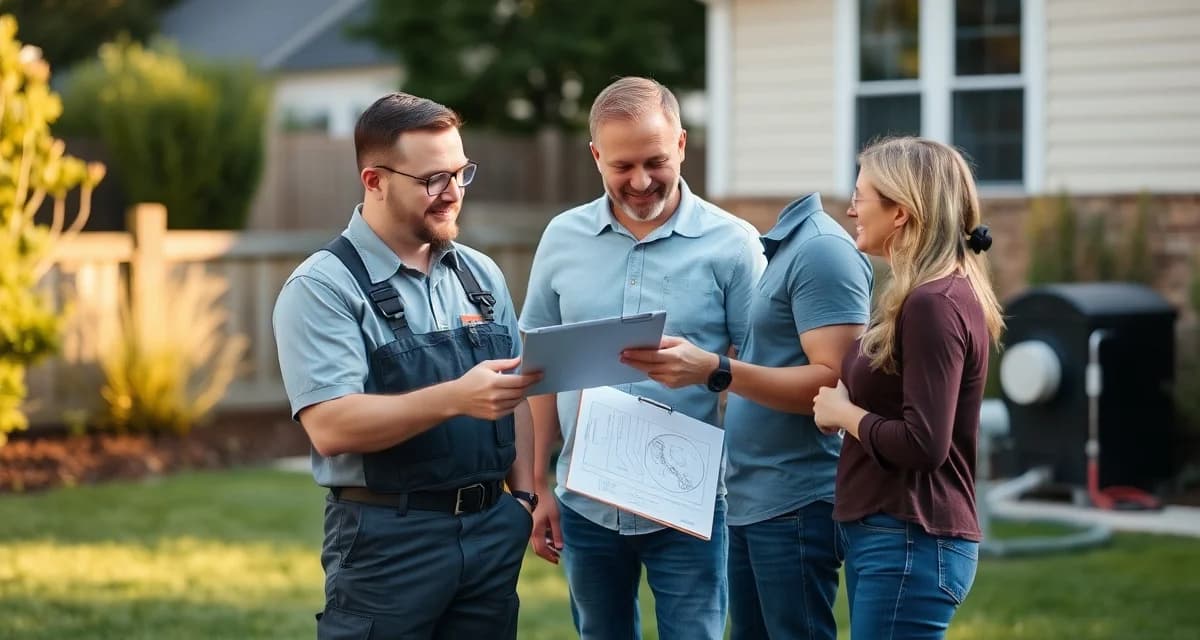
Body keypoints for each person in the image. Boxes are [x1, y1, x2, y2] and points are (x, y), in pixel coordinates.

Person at [272, 92, 541, 639]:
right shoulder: (323, 287)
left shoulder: (482, 276)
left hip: (491, 534)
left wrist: (527, 497)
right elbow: (331, 427)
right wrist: (455, 398)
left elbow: (517, 392)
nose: (452, 194)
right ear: (374, 181)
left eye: (461, 173)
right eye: (432, 180)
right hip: (387, 542)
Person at [519, 76, 766, 639]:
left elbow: (764, 376)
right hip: (585, 502)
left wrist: (709, 369)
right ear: (596, 156)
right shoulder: (562, 237)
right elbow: (537, 370)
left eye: (655, 160)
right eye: (621, 165)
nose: (639, 180)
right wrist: (537, 488)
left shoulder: (733, 245)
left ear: (681, 144)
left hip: (691, 505)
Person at [623, 184, 873, 640]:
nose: (854, 208)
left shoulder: (823, 252)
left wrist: (714, 369)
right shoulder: (788, 248)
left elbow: (833, 383)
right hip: (752, 500)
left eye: (864, 194)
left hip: (794, 499)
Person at [812, 136, 1003, 639]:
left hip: (910, 537)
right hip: (895, 537)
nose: (852, 209)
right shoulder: (922, 296)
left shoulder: (933, 303)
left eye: (862, 197)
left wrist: (843, 414)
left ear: (901, 212)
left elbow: (925, 444)